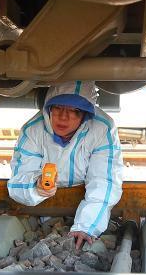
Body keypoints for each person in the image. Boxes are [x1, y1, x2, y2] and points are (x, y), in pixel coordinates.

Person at [7, 81, 123, 249]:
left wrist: (86, 227)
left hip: (89, 204)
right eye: (58, 108)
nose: (63, 117)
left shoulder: (102, 128)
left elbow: (104, 181)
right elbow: (18, 181)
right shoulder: (33, 129)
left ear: (85, 114)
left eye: (74, 111)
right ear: (49, 108)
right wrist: (36, 186)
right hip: (42, 207)